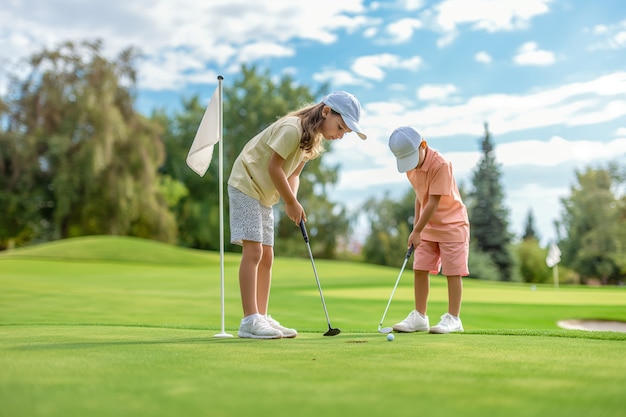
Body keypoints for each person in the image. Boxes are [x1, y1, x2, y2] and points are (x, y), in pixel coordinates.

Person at [228, 91, 367, 339]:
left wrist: (294, 201)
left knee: (268, 256)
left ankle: (262, 315)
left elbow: (293, 175)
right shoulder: (292, 129)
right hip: (246, 183)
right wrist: (290, 203)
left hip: (264, 193)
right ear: (326, 111)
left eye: (345, 132)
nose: (341, 135)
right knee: (254, 251)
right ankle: (250, 319)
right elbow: (274, 167)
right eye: (341, 127)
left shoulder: (312, 141)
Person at [388, 126, 470, 334]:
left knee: (452, 272)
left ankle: (454, 318)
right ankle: (420, 316)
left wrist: (417, 230)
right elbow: (420, 197)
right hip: (428, 225)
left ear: (423, 145)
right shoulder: (411, 167)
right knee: (420, 267)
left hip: (452, 224)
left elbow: (433, 201)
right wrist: (417, 229)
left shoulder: (441, 165)